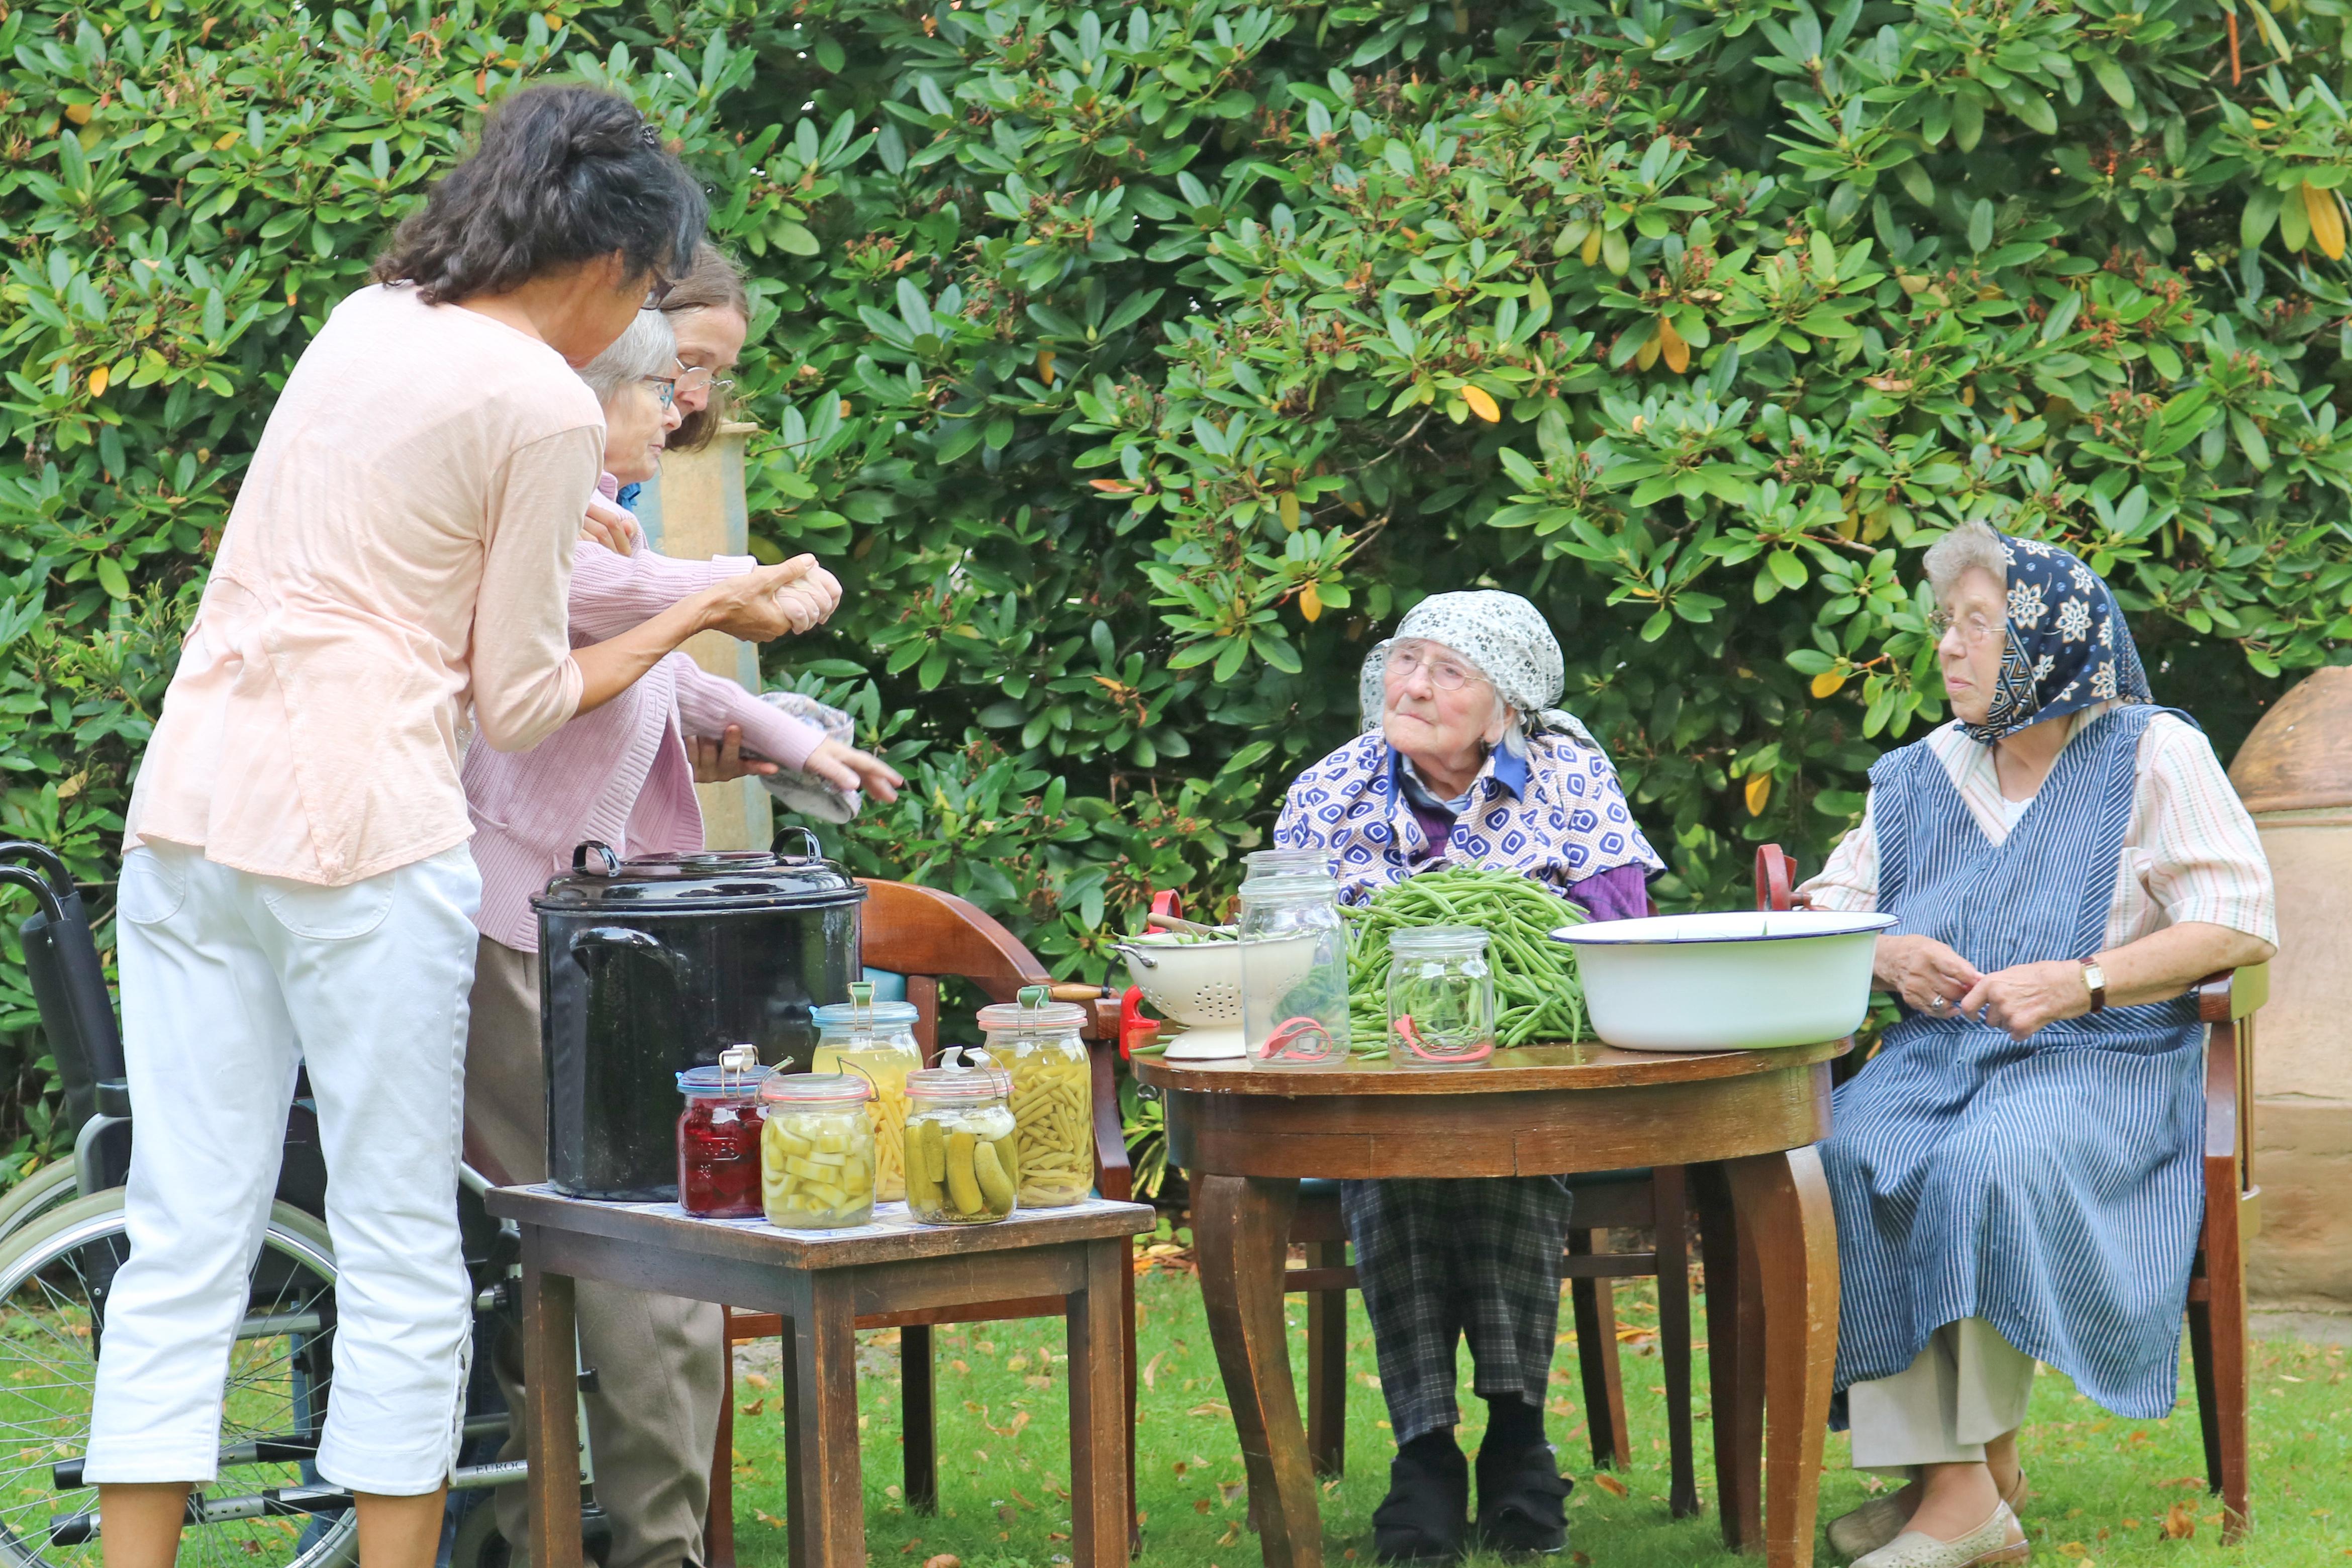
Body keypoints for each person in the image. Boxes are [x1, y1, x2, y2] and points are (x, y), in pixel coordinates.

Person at [90, 86, 824, 1568]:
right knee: (401, 1254)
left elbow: (389, 520)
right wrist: (701, 607)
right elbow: (524, 702)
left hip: (189, 811)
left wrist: (571, 528)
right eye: (643, 292)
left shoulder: (366, 322)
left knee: (179, 1241)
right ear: (609, 263)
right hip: (363, 835)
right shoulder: (543, 400)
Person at [459, 307, 902, 1568]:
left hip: (567, 926)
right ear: (586, 397)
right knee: (637, 1229)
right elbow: (603, 600)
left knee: (605, 1229)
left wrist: (797, 741)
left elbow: (659, 663)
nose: (680, 410)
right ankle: (652, 1551)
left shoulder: (603, 512)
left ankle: (554, 1534)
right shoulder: (554, 522)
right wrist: (739, 587)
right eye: (661, 387)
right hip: (515, 925)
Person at [1799, 522, 2276, 1568]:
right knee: (1845, 1157)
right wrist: (1892, 954)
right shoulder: (1918, 771)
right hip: (1937, 1058)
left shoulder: (2153, 750)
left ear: (2052, 639)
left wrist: (2082, 981)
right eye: (1946, 623)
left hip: (2105, 1058)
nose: (1948, 646)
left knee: (1989, 1164)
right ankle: (1964, 1484)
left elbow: (2238, 919)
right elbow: (1824, 911)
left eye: (1979, 624)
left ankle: (1961, 1498)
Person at [1273, 591, 1665, 1562]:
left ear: (1507, 707)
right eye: (1406, 661)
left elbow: (1618, 939)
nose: (1412, 686)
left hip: (1536, 1083)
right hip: (1381, 1084)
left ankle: (1515, 1434)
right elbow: (1296, 968)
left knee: (1510, 1153)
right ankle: (1429, 1450)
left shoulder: (1569, 776)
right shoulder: (1331, 791)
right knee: (1392, 1159)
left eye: (1449, 672)